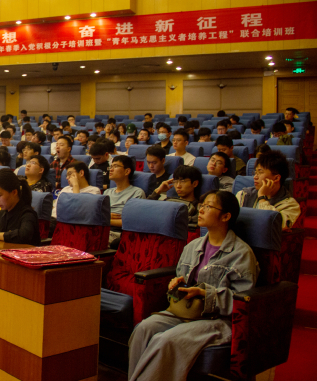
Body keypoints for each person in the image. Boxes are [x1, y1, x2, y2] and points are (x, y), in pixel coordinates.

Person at [128, 190, 258, 381]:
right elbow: (182, 278)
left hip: (218, 320)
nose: (201, 210)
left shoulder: (241, 254)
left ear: (226, 216)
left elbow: (242, 301)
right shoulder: (193, 246)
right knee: (143, 329)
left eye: (208, 206)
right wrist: (176, 284)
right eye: (201, 205)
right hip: (187, 312)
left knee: (165, 340)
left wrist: (205, 293)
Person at [236, 150, 300, 229]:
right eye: (255, 173)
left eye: (260, 172)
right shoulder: (243, 195)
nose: (255, 177)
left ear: (276, 178)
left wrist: (262, 198)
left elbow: (273, 225)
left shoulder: (291, 205)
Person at [0, 168, 40, 245]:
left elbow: (24, 235)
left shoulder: (27, 214)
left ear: (14, 192)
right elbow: (1, 236)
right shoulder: (3, 213)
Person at [104, 155, 146, 246]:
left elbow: (132, 221)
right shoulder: (107, 192)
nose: (111, 169)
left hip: (119, 233)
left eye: (115, 166)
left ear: (127, 171)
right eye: (111, 166)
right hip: (103, 229)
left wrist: (105, 219)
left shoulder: (137, 192)